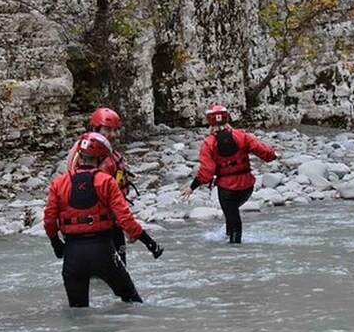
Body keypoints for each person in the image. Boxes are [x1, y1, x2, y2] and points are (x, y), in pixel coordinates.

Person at [45, 132, 163, 308]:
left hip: (73, 254)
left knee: (78, 314)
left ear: (79, 155)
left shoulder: (59, 183)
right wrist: (149, 243)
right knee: (133, 302)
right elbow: (125, 218)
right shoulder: (106, 181)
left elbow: (49, 220)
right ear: (100, 158)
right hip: (103, 251)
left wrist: (56, 243)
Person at [180, 104, 277, 244]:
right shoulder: (242, 136)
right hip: (246, 188)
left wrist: (192, 187)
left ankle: (234, 254)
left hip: (227, 190)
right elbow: (261, 150)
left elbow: (206, 173)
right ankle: (228, 239)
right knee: (232, 215)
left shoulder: (209, 143)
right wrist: (273, 156)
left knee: (232, 217)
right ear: (227, 118)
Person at [66, 107, 136, 263]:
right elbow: (108, 199)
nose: (113, 135)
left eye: (115, 130)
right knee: (118, 271)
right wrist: (127, 226)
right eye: (107, 130)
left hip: (88, 229)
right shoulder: (99, 160)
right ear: (95, 128)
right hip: (105, 226)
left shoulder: (83, 150)